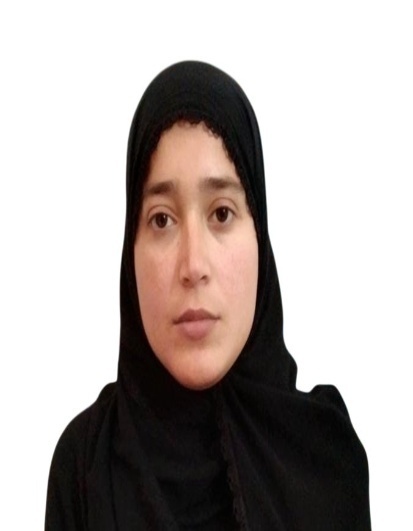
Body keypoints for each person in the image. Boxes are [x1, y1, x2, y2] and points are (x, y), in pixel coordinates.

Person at [45, 61, 371, 530]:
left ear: (260, 236)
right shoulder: (85, 468)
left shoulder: (326, 457)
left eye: (221, 213)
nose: (193, 265)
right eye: (161, 219)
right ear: (129, 250)